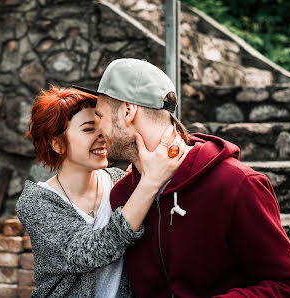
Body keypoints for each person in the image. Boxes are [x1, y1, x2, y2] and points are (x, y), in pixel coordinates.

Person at [74, 58, 290, 297]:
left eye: (101, 116)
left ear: (127, 111)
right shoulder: (123, 194)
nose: (98, 131)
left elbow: (289, 286)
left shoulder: (236, 184)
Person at [15, 86, 187, 297]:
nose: (102, 136)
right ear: (57, 144)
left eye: (101, 126)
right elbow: (89, 252)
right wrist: (149, 182)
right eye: (88, 129)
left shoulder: (119, 181)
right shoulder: (35, 203)